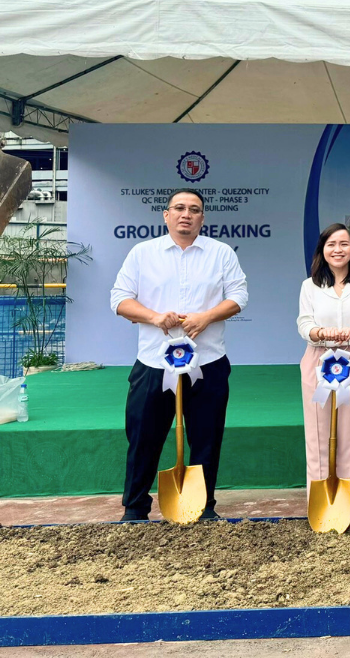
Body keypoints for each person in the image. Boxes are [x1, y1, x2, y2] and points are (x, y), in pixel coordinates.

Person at [110, 188, 248, 521]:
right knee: (144, 436)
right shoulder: (143, 253)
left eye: (195, 209)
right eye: (180, 208)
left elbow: (239, 296)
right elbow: (119, 299)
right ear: (166, 215)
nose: (186, 214)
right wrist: (155, 317)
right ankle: (135, 508)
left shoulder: (222, 253)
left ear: (203, 217)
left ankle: (203, 506)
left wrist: (207, 317)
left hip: (208, 362)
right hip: (154, 364)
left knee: (206, 438)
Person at [297, 223, 350, 499]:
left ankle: (344, 499)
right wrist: (320, 333)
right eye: (331, 244)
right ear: (322, 250)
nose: (338, 250)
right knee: (317, 432)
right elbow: (304, 323)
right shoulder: (309, 286)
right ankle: (318, 498)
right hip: (318, 359)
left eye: (344, 244)